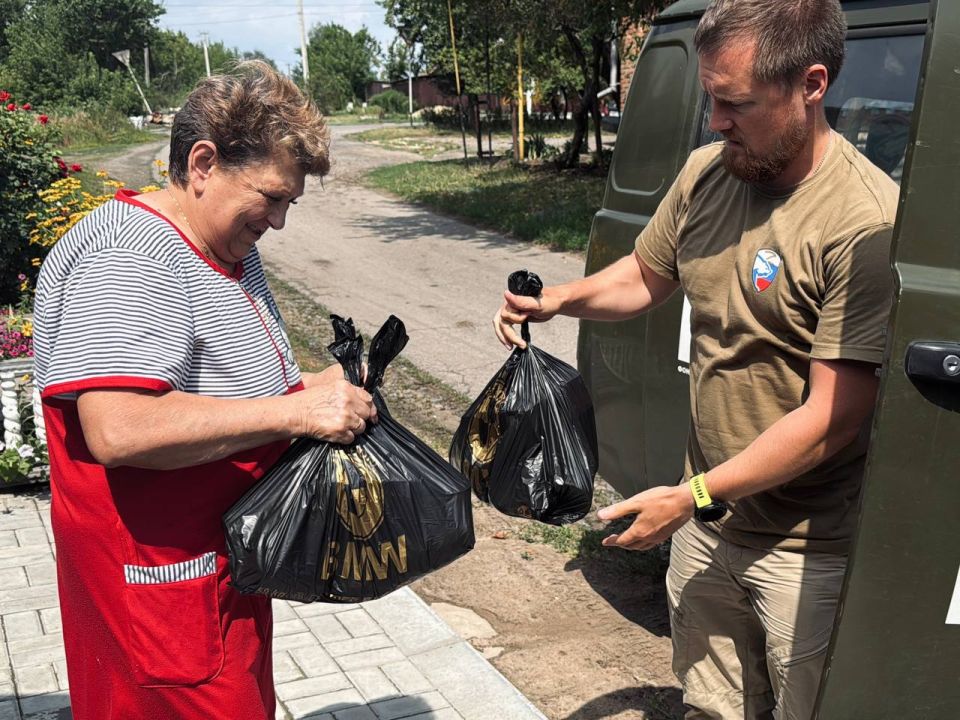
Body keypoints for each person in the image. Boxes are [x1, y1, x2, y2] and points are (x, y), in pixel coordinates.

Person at [494, 1, 899, 718]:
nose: (715, 120)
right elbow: (642, 277)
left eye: (734, 102)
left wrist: (693, 497)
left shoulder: (864, 223)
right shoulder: (708, 172)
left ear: (811, 85)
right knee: (711, 706)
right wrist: (556, 300)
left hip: (807, 550)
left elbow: (832, 419)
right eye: (710, 97)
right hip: (709, 527)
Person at [33, 61, 377, 719]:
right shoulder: (131, 256)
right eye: (271, 196)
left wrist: (316, 389)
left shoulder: (219, 250)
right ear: (202, 163)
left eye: (288, 204)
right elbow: (121, 426)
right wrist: (296, 409)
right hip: (162, 599)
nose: (277, 222)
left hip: (214, 581)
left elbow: (221, 388)